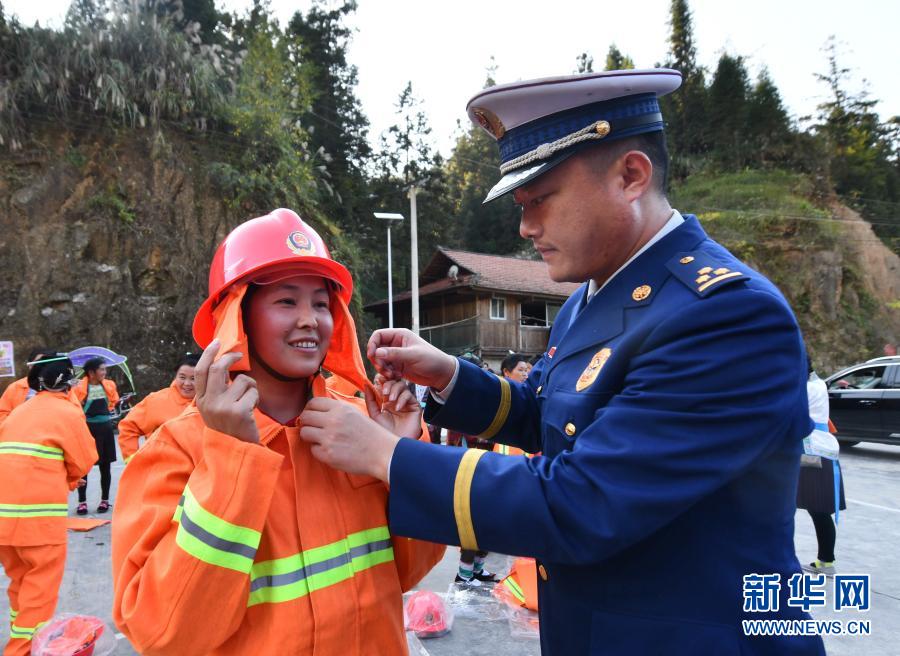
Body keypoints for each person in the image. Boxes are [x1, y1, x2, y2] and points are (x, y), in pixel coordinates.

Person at [298, 70, 825, 655]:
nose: (525, 228)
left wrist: (384, 454)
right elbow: (548, 414)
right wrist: (448, 374)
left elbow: (583, 502)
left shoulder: (724, 315)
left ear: (630, 175)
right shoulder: (591, 298)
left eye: (539, 200)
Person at [111, 209, 443, 656]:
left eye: (322, 303)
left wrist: (400, 457)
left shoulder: (363, 429)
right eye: (286, 301)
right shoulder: (179, 449)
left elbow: (413, 569)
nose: (310, 319)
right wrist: (231, 461)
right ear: (237, 318)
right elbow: (164, 635)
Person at [0, 354, 98, 656]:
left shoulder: (20, 411)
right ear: (69, 384)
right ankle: (22, 650)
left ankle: (21, 638)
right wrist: (69, 479)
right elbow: (85, 459)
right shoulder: (67, 413)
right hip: (39, 524)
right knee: (40, 594)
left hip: (5, 522)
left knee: (21, 586)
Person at [797, 358, 845, 576]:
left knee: (817, 509)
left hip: (812, 453)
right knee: (818, 509)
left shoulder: (805, 389)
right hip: (821, 450)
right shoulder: (818, 384)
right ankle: (826, 560)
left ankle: (826, 561)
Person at [116, 353, 200, 463]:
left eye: (194, 378)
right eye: (182, 377)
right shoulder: (156, 400)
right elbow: (128, 427)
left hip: (201, 475)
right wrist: (132, 459)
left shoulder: (213, 404)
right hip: (161, 473)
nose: (187, 383)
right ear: (175, 376)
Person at [72, 357, 120, 514]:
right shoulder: (78, 387)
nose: (104, 372)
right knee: (83, 467)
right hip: (87, 429)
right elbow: (73, 405)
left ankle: (105, 500)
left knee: (105, 466)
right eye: (101, 369)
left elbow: (113, 402)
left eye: (105, 369)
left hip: (105, 429)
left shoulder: (109, 385)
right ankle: (82, 502)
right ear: (91, 372)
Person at [0, 347, 52, 425]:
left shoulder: (63, 387)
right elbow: (2, 415)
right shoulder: (15, 388)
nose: (43, 367)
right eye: (39, 363)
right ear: (29, 365)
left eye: (47, 363)